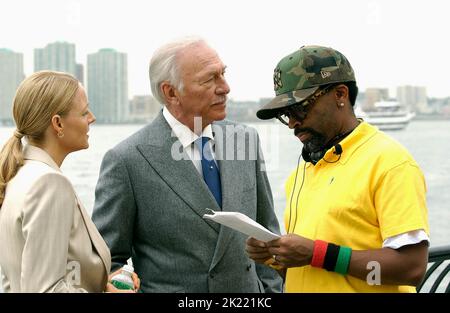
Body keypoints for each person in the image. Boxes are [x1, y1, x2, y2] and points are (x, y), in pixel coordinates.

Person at [92, 37, 283, 293]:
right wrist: (121, 279)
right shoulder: (126, 161)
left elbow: (268, 237)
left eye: (223, 74)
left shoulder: (245, 140)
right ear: (170, 92)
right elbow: (105, 261)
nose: (225, 88)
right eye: (209, 79)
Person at [247, 45, 429, 292]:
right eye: (284, 114)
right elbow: (306, 268)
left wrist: (317, 254)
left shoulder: (389, 162)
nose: (292, 123)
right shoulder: (302, 172)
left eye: (299, 108)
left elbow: (411, 269)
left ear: (340, 95)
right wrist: (273, 256)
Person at [0, 71, 139, 293]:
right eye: (84, 112)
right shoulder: (49, 183)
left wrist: (101, 285)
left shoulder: (18, 173)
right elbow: (45, 289)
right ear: (58, 123)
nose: (92, 118)